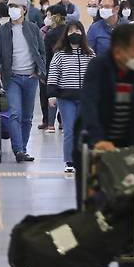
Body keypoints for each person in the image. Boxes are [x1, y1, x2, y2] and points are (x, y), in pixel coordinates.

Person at [78, 22, 134, 154]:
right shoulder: (98, 66)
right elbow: (89, 103)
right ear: (118, 52)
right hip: (99, 140)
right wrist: (98, 139)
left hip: (132, 140)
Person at [0, 0, 46, 163]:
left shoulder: (33, 28)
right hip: (12, 77)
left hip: (30, 77)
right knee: (15, 114)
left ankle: (23, 148)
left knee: (27, 117)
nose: (13, 9)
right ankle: (19, 150)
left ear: (24, 10)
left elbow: (42, 51)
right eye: (10, 6)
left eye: (16, 6)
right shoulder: (2, 30)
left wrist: (38, 70)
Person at [47, 20, 95, 173]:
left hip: (85, 98)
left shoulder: (90, 53)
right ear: (66, 35)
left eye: (78, 30)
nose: (75, 34)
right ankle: (69, 160)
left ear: (83, 32)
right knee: (69, 129)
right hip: (66, 97)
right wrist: (51, 95)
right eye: (71, 31)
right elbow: (53, 73)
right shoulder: (60, 54)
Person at [39, 5, 67, 133]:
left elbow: (46, 55)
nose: (47, 18)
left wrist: (45, 74)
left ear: (56, 17)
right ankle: (62, 122)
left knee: (50, 96)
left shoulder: (50, 34)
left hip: (53, 69)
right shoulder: (69, 31)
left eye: (50, 15)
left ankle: (50, 124)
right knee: (65, 95)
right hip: (68, 69)